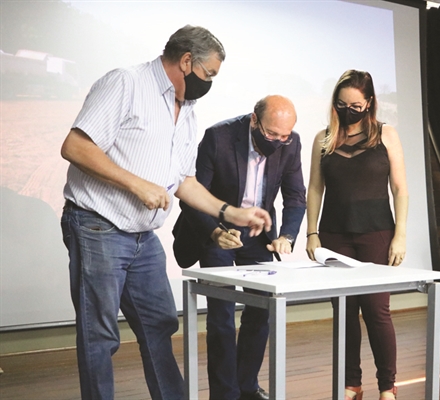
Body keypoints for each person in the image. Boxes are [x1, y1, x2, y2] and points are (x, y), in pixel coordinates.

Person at [60, 25, 272, 400]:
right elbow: (76, 147)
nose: (210, 83)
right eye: (209, 74)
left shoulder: (187, 108)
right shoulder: (126, 83)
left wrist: (232, 213)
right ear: (187, 61)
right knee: (100, 334)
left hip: (143, 236)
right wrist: (136, 184)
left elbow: (184, 181)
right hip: (97, 226)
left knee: (159, 323)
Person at [172, 95, 306, 400]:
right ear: (254, 120)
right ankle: (224, 393)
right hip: (218, 231)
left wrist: (287, 235)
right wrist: (216, 231)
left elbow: (296, 196)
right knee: (221, 316)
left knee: (261, 312)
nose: (278, 141)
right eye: (272, 134)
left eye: (284, 136)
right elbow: (191, 196)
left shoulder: (291, 144)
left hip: (258, 235)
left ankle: (246, 387)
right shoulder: (219, 137)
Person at [305, 70, 408, 400]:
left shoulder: (386, 134)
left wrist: (401, 235)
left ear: (369, 104)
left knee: (377, 311)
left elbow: (400, 188)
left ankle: (387, 387)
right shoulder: (323, 137)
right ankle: (351, 384)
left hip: (377, 232)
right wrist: (311, 233)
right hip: (335, 235)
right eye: (341, 103)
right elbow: (315, 188)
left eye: (356, 104)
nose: (348, 109)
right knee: (345, 313)